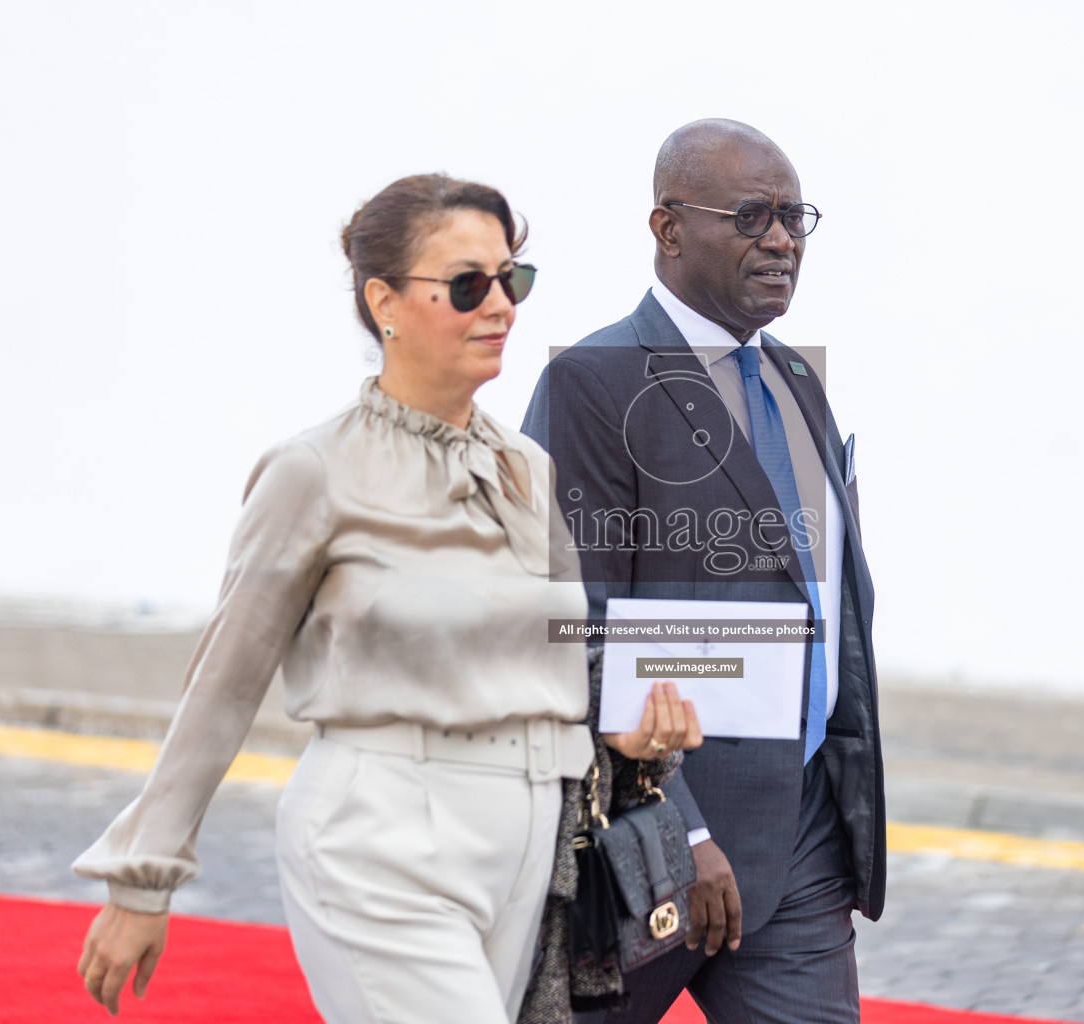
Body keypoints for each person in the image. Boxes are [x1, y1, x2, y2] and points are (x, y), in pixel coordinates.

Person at [73, 173, 702, 1024]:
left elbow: (557, 657)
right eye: (468, 285)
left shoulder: (527, 469)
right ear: (385, 303)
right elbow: (223, 681)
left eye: (512, 280)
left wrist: (624, 731)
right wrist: (143, 879)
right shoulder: (314, 471)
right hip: (381, 832)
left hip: (523, 842)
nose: (502, 307)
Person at [521, 120, 885, 1024]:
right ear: (669, 227)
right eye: (753, 215)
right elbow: (578, 625)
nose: (781, 239)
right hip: (648, 845)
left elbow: (822, 597)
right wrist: (682, 826)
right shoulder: (596, 385)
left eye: (794, 216)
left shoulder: (797, 379)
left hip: (800, 837)